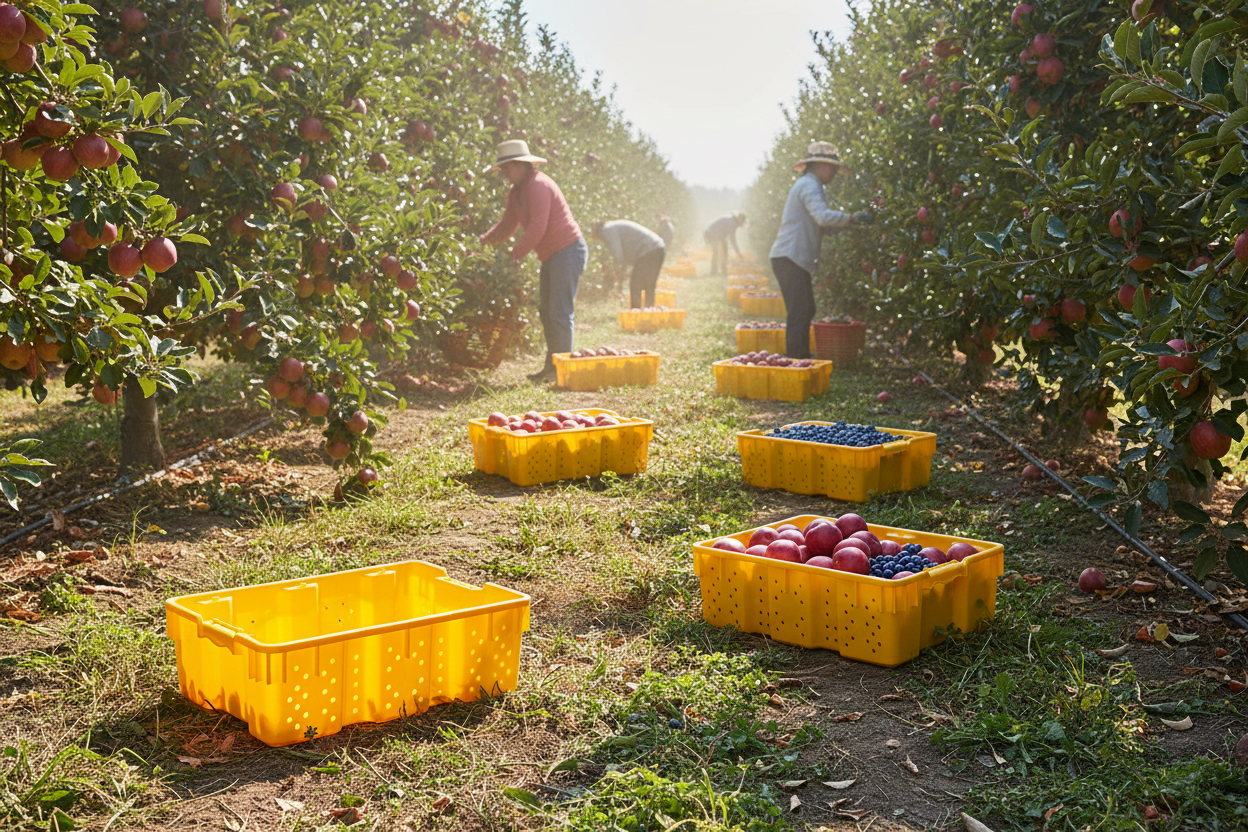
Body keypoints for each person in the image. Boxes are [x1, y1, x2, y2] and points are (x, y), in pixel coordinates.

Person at [479, 139, 587, 382]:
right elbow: (507, 225)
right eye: (503, 169)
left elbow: (538, 228)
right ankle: (552, 368)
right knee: (547, 310)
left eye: (507, 168)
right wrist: (483, 242)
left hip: (568, 250)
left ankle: (560, 370)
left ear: (520, 165)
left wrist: (514, 255)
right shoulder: (517, 192)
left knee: (558, 311)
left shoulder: (538, 186)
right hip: (553, 255)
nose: (505, 174)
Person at [768, 142, 871, 358]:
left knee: (804, 309)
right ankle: (797, 360)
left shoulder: (808, 184)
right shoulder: (809, 185)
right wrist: (851, 218)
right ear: (818, 165)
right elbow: (823, 217)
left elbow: (818, 225)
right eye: (832, 167)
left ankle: (799, 357)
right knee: (800, 311)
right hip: (791, 256)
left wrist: (848, 225)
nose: (834, 172)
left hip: (790, 257)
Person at [592, 220, 667, 309]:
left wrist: (619, 272)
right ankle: (649, 311)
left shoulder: (607, 230)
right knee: (649, 283)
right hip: (659, 248)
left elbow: (618, 255)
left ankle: (635, 311)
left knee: (635, 284)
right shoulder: (614, 226)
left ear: (598, 233)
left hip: (647, 250)